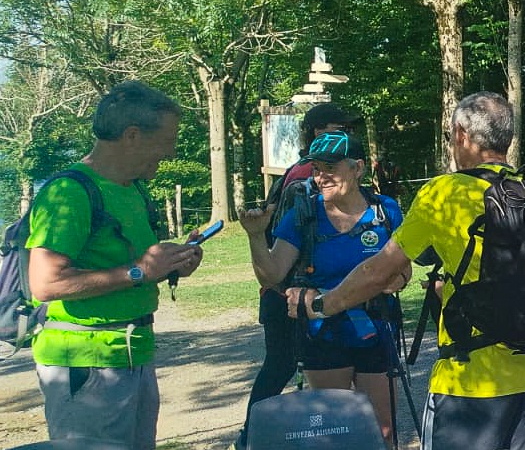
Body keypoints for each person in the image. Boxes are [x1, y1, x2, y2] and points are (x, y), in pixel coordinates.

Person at [288, 91, 525, 450]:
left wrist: (321, 305)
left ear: (461, 135)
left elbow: (378, 271)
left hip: (473, 379)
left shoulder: (444, 194)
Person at [26, 80, 203, 449]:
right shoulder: (68, 192)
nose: (171, 151)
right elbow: (45, 283)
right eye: (168, 140)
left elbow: (131, 268)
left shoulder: (133, 188)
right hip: (84, 363)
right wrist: (139, 271)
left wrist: (170, 265)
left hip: (132, 352)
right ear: (132, 135)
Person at [239, 132, 404, 447]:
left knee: (383, 431)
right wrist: (256, 236)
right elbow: (271, 274)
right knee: (333, 432)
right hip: (323, 333)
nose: (321, 177)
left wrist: (393, 279)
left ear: (358, 168)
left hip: (377, 328)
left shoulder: (385, 210)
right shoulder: (304, 214)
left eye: (330, 167)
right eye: (316, 169)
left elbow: (402, 271)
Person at [235, 102, 359, 449]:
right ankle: (251, 436)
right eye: (339, 128)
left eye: (348, 129)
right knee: (283, 365)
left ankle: (252, 436)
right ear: (316, 132)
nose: (347, 134)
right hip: (290, 295)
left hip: (291, 293)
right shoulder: (307, 174)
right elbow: (293, 240)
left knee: (284, 365)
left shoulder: (297, 169)